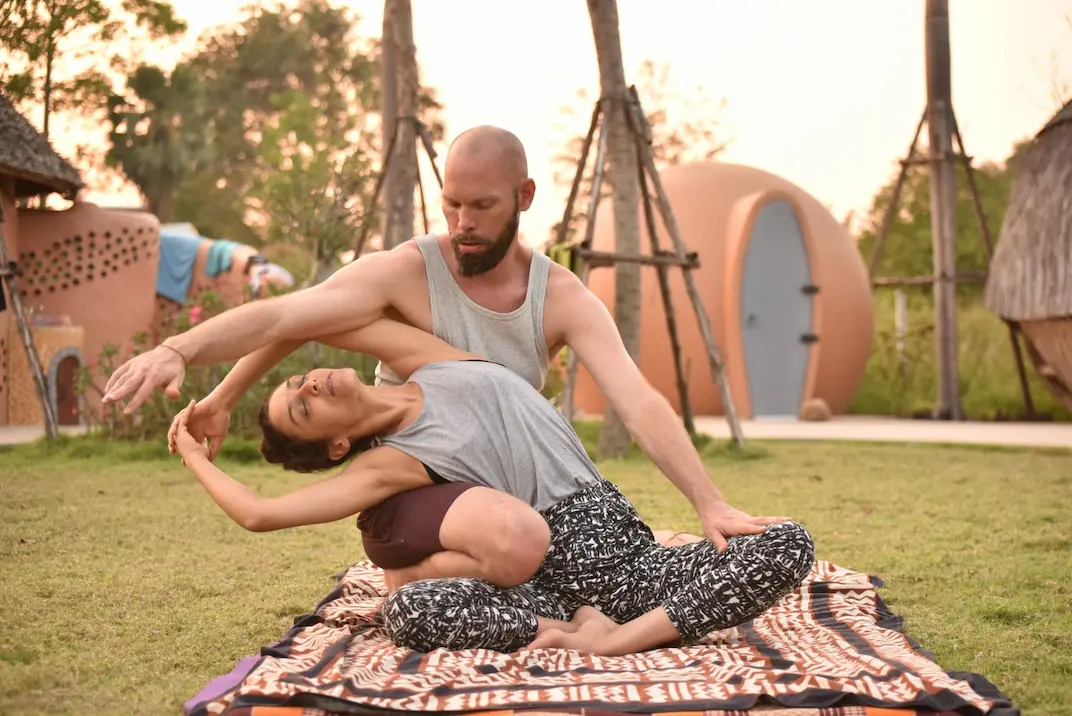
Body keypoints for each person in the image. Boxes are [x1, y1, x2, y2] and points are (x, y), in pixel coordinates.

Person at [105, 124, 782, 563]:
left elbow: (636, 400)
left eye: (481, 206)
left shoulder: (562, 297)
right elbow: (292, 316)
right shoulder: (406, 271)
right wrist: (191, 363)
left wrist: (708, 500)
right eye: (450, 203)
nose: (461, 223)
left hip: (507, 486)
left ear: (523, 196)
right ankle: (415, 581)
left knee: (547, 550)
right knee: (519, 547)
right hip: (419, 483)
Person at [170, 316, 816, 656]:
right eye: (304, 410)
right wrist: (193, 453)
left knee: (788, 542)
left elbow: (304, 319)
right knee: (412, 612)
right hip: (548, 579)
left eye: (297, 386)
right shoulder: (386, 463)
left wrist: (225, 395)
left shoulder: (431, 362)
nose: (309, 387)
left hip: (628, 560)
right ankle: (603, 634)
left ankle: (617, 634)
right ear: (337, 446)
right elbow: (259, 514)